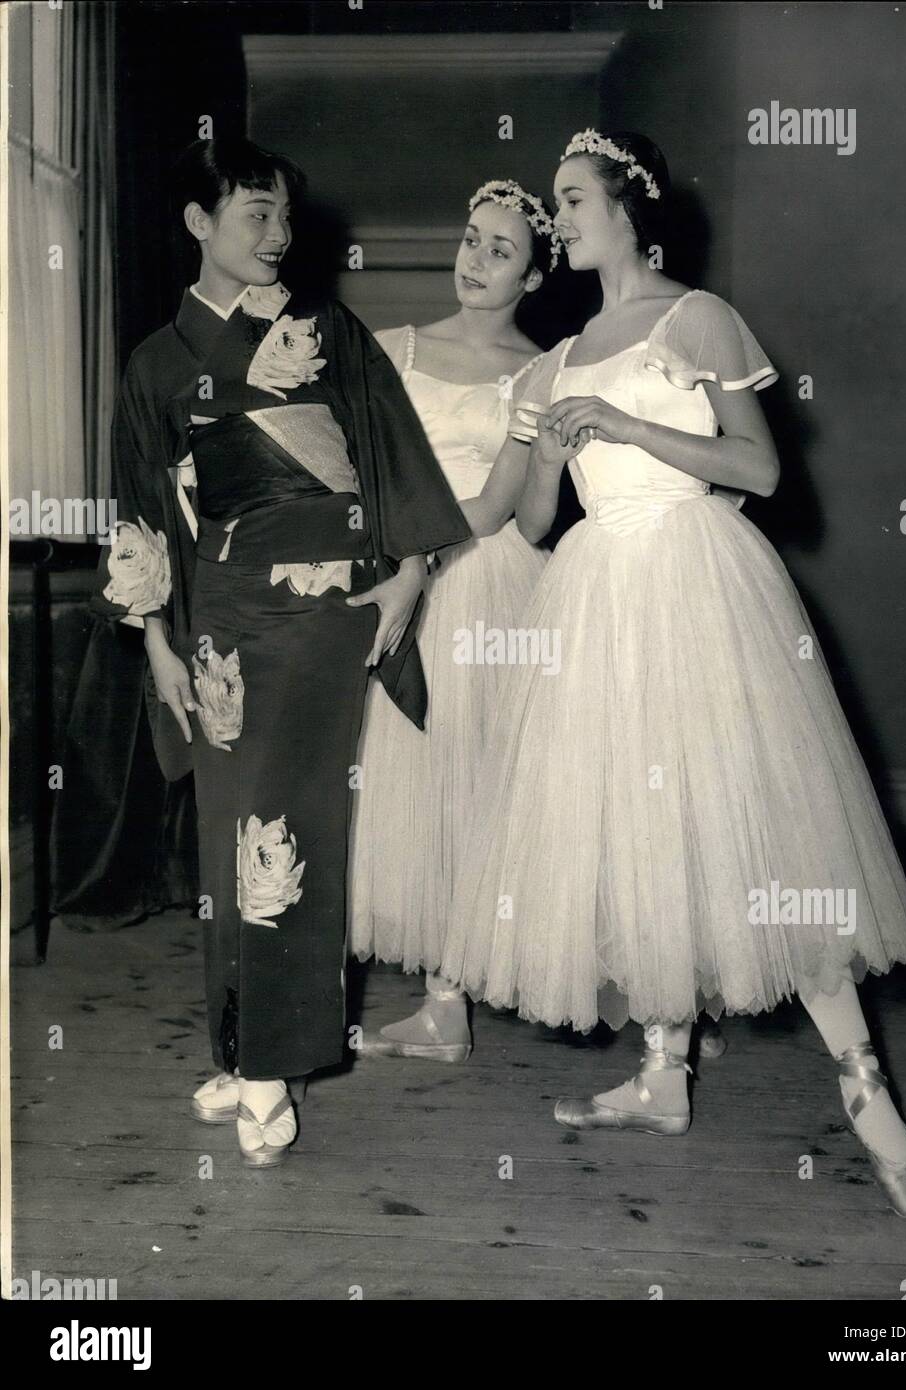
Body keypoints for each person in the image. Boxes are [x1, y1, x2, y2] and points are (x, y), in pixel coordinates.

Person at [440, 129, 906, 1219]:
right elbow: (526, 519)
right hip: (594, 594)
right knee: (633, 836)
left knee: (760, 827)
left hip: (696, 581)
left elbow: (756, 468)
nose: (557, 219)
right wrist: (560, 457)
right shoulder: (552, 361)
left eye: (570, 200)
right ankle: (662, 1074)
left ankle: (864, 1088)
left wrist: (622, 423)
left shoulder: (692, 317)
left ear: (628, 207)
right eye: (555, 205)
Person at [92, 137, 470, 1167]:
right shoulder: (155, 363)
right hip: (217, 611)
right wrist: (157, 643)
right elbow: (139, 512)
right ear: (198, 223)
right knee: (226, 834)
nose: (277, 235)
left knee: (288, 822)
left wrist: (405, 574)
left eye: (284, 216)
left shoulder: (326, 330)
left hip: (320, 606)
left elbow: (390, 450)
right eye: (254, 213)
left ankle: (271, 1068)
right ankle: (241, 1046)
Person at [348, 181, 554, 1060]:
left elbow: (501, 502)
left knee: (476, 779)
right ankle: (438, 1002)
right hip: (392, 568)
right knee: (397, 781)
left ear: (534, 277)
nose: (476, 260)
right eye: (472, 240)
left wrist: (419, 559)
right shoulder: (390, 349)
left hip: (479, 578)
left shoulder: (541, 368)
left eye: (501, 251)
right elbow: (357, 472)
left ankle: (454, 996)